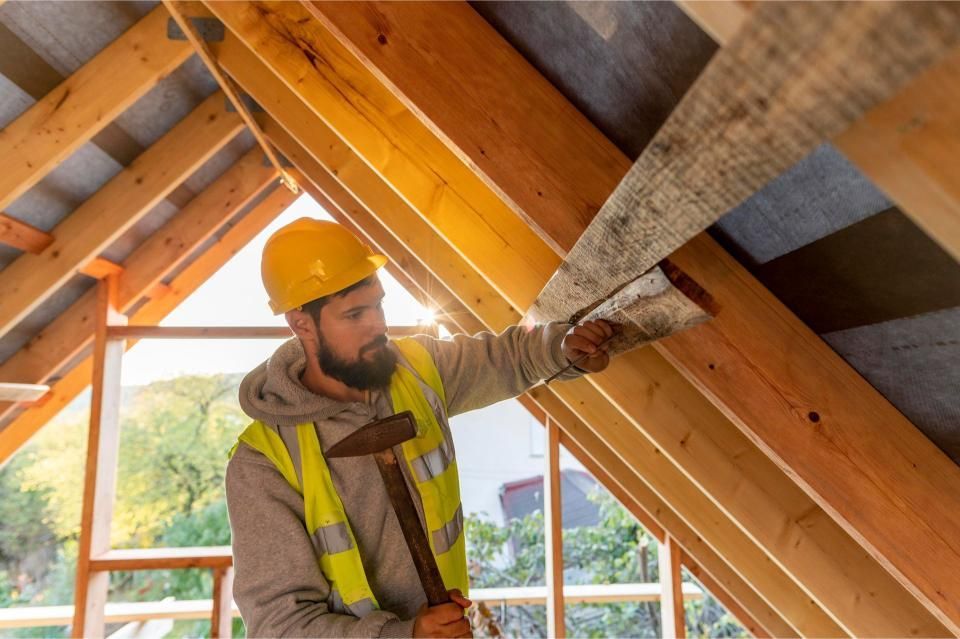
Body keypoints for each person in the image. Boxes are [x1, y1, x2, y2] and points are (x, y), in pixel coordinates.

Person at [227, 218, 614, 637]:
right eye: (355, 314)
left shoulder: (417, 370)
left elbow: (508, 359)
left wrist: (563, 349)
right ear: (301, 323)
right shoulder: (264, 462)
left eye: (378, 304)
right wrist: (404, 634)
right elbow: (278, 627)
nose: (378, 325)